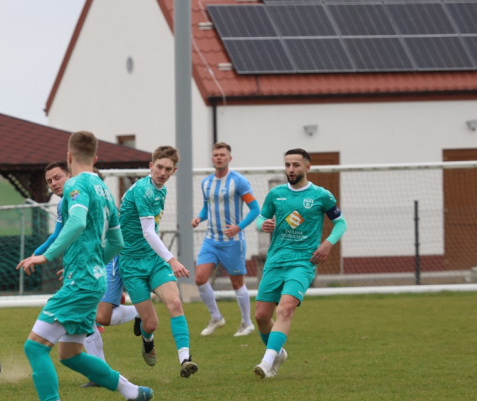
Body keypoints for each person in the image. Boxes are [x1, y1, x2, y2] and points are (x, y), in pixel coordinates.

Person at [16, 131, 153, 401]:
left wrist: (45, 256)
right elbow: (116, 242)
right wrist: (91, 262)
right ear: (96, 158)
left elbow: (76, 223)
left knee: (35, 347)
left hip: (81, 283)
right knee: (71, 355)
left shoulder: (76, 185)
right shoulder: (104, 189)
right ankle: (135, 393)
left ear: (68, 158)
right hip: (93, 278)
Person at [30, 162, 137, 373]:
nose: (53, 183)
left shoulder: (87, 195)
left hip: (106, 260)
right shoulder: (64, 203)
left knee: (97, 317)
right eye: (49, 181)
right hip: (86, 265)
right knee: (92, 320)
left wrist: (45, 256)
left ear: (70, 174)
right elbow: (58, 234)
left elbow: (110, 238)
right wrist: (38, 254)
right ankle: (104, 373)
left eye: (57, 178)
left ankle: (140, 311)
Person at [252, 148, 346, 379]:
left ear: (307, 167)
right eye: (287, 165)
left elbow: (340, 223)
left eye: (295, 165)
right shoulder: (276, 194)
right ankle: (278, 353)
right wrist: (261, 225)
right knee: (262, 316)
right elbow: (261, 218)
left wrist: (328, 243)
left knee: (285, 309)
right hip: (275, 260)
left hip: (303, 263)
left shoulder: (321, 195)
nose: (291, 169)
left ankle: (266, 362)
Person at [118, 145, 198, 378]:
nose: (162, 172)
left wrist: (165, 260)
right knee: (151, 324)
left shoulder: (160, 189)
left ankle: (185, 359)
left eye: (168, 169)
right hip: (132, 264)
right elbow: (148, 232)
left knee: (175, 304)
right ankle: (147, 339)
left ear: (174, 171)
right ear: (150, 166)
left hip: (154, 260)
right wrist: (172, 260)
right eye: (159, 167)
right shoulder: (144, 190)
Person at [190, 142, 260, 337]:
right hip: (211, 239)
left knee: (237, 283)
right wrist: (199, 218)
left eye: (222, 154)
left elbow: (255, 209)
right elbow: (207, 207)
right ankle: (216, 317)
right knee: (200, 278)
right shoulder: (206, 183)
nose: (219, 157)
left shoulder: (239, 181)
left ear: (230, 158)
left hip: (233, 241)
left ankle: (247, 323)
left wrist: (238, 227)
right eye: (216, 155)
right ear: (212, 158)